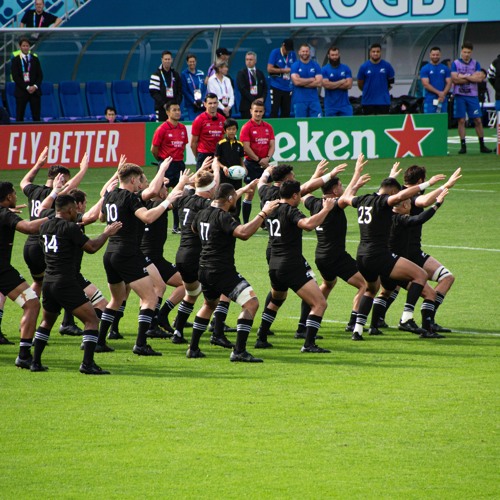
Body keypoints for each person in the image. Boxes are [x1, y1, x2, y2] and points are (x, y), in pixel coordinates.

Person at [340, 160, 448, 341]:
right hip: (379, 254)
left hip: (361, 255)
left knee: (370, 290)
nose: (398, 196)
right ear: (391, 192)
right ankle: (406, 317)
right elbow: (399, 198)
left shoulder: (363, 200)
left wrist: (357, 175)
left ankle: (357, 330)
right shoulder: (384, 202)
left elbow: (346, 197)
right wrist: (428, 185)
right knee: (420, 275)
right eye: (396, 193)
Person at [96, 162, 182, 357]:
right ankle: (141, 344)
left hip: (110, 253)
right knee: (150, 297)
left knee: (116, 299)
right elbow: (148, 217)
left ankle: (100, 341)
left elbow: (102, 218)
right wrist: (167, 202)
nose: (141, 184)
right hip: (127, 253)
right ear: (133, 179)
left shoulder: (109, 195)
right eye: (140, 180)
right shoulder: (130, 197)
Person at [187, 183, 279, 361]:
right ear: (229, 199)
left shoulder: (202, 213)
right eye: (234, 197)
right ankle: (239, 351)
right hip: (221, 270)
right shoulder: (223, 216)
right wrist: (263, 213)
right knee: (251, 304)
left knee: (209, 305)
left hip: (203, 269)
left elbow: (193, 229)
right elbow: (243, 233)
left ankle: (193, 348)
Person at [31, 195, 122, 374]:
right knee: (91, 320)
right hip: (66, 281)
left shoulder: (44, 226)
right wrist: (107, 233)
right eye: (75, 210)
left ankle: (35, 362)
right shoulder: (70, 228)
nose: (77, 212)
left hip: (48, 281)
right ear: (70, 210)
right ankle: (87, 364)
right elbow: (92, 248)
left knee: (46, 322)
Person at [375, 165, 462, 333]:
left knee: (389, 288)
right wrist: (446, 186)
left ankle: (373, 320)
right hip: (410, 253)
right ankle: (426, 319)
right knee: (446, 278)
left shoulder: (396, 193)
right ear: (421, 180)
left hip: (394, 251)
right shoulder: (410, 197)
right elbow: (424, 201)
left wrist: (391, 175)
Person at [255, 180, 336, 353]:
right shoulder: (290, 210)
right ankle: (309, 344)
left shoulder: (271, 209)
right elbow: (308, 225)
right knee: (319, 303)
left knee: (276, 300)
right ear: (294, 195)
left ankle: (261, 337)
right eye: (299, 194)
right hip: (291, 264)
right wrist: (326, 209)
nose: (300, 198)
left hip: (274, 264)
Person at [21, 148, 88, 335]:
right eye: (65, 180)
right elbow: (68, 189)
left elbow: (24, 182)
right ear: (59, 179)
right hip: (47, 242)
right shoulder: (56, 197)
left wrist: (38, 164)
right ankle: (67, 322)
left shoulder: (34, 191)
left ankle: (27, 315)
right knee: (66, 277)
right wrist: (83, 170)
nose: (66, 184)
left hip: (29, 245)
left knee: (38, 283)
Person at [301, 164, 368, 334]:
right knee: (365, 285)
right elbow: (346, 197)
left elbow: (305, 192)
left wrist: (316, 174)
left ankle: (304, 323)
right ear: (335, 190)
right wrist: (357, 171)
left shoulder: (314, 203)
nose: (342, 187)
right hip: (336, 256)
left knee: (328, 284)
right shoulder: (334, 204)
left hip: (321, 256)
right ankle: (354, 321)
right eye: (340, 185)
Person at [0, 182, 47, 369]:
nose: (16, 196)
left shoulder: (5, 213)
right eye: (14, 194)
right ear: (9, 197)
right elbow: (28, 227)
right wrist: (54, 217)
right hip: (2, 271)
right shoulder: (5, 214)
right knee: (32, 303)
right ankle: (24, 355)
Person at [151, 101, 189, 233]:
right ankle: (158, 222)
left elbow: (183, 146)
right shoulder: (162, 129)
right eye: (174, 110)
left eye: (179, 109)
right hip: (167, 165)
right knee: (161, 195)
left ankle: (176, 226)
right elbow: (154, 149)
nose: (177, 112)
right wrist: (162, 161)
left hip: (179, 164)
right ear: (167, 112)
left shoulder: (183, 128)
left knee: (179, 194)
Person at [451, 42, 492, 154]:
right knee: (461, 120)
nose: (466, 54)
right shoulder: (455, 63)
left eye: (469, 52)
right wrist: (470, 77)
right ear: (461, 52)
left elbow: (479, 79)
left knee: (478, 119)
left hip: (472, 95)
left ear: (471, 52)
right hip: (460, 95)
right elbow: (454, 79)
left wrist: (463, 76)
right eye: (464, 52)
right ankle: (463, 145)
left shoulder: (475, 63)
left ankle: (482, 145)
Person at [239, 99, 275, 223]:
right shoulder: (246, 127)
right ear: (251, 111)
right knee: (249, 193)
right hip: (251, 164)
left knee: (267, 194)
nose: (258, 114)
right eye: (256, 111)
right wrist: (259, 159)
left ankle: (264, 222)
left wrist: (268, 158)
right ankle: (246, 221)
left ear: (264, 112)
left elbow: (272, 145)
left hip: (265, 163)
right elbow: (246, 147)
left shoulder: (268, 127)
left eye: (260, 111)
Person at [215, 118, 246, 218]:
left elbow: (241, 159)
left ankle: (235, 217)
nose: (231, 131)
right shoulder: (221, 144)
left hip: (236, 177)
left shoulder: (240, 144)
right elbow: (216, 160)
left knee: (236, 196)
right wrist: (223, 167)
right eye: (229, 129)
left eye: (233, 129)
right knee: (224, 196)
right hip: (225, 175)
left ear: (236, 130)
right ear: (225, 130)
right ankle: (222, 217)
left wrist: (244, 167)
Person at [357, 43, 395, 115]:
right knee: (369, 124)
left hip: (383, 102)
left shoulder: (387, 66)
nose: (375, 53)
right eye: (373, 51)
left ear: (380, 53)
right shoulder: (364, 67)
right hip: (368, 102)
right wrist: (368, 90)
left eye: (378, 51)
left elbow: (391, 82)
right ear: (370, 53)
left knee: (383, 124)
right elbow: (360, 84)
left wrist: (382, 91)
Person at [10, 37, 43, 122]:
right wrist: (27, 87)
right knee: (20, 115)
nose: (25, 47)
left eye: (27, 46)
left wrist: (35, 86)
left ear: (29, 47)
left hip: (34, 92)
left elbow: (40, 75)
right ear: (20, 47)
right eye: (23, 46)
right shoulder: (16, 60)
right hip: (22, 91)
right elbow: (15, 77)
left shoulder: (35, 59)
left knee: (36, 116)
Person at [190, 93, 226, 170]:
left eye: (215, 103)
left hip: (218, 155)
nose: (212, 105)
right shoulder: (199, 120)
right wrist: (198, 156)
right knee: (202, 181)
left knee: (218, 180)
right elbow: (193, 143)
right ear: (205, 104)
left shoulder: (222, 119)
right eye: (210, 103)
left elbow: (223, 138)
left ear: (218, 104)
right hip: (204, 155)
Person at [149, 50, 183, 122]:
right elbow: (154, 93)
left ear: (172, 60)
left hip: (173, 109)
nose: (167, 61)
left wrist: (176, 104)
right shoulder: (156, 75)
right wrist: (164, 104)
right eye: (165, 59)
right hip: (161, 108)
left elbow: (180, 91)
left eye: (169, 59)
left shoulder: (175, 74)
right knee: (161, 129)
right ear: (162, 60)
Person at [290, 44, 322, 118]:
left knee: (317, 124)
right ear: (299, 52)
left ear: (309, 52)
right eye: (303, 51)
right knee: (300, 123)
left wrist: (302, 82)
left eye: (307, 51)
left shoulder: (315, 65)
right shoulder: (295, 65)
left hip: (314, 100)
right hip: (299, 100)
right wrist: (311, 79)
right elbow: (296, 82)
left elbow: (319, 83)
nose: (305, 53)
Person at [267, 39, 297, 118]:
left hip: (287, 87)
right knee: (274, 110)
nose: (287, 52)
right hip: (276, 86)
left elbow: (295, 68)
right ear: (282, 46)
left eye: (289, 50)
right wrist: (283, 70)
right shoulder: (275, 52)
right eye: (286, 49)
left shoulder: (292, 54)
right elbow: (269, 69)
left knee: (286, 111)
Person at [321, 46, 353, 117]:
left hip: (345, 105)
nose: (335, 57)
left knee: (348, 126)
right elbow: (326, 85)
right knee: (331, 127)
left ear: (339, 55)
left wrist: (332, 84)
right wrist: (341, 82)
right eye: (332, 55)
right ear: (328, 56)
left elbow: (349, 85)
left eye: (336, 55)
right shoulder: (324, 69)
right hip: (330, 106)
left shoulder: (346, 68)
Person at [420, 47, 452, 114]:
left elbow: (449, 82)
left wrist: (443, 94)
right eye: (433, 55)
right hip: (430, 99)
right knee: (430, 120)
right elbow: (426, 84)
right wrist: (439, 93)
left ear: (440, 55)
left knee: (442, 120)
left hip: (442, 99)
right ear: (430, 55)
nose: (435, 56)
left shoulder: (445, 68)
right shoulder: (425, 68)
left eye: (437, 55)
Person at [236, 51, 268, 119]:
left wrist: (262, 98)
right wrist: (254, 100)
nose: (248, 61)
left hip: (260, 106)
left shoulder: (260, 73)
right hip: (246, 106)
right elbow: (242, 89)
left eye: (251, 59)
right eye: (247, 59)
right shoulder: (241, 73)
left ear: (255, 61)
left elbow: (265, 88)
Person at [181, 54, 206, 121]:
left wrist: (203, 100)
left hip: (201, 104)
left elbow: (204, 88)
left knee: (202, 122)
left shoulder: (201, 73)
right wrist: (193, 101)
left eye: (193, 61)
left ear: (196, 62)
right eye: (190, 61)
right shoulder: (184, 74)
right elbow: (184, 90)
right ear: (187, 62)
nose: (192, 63)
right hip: (190, 104)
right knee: (192, 122)